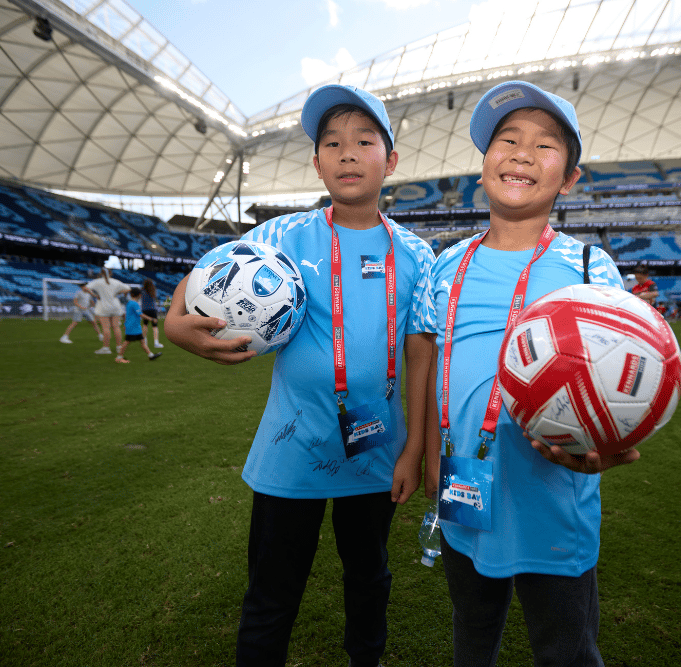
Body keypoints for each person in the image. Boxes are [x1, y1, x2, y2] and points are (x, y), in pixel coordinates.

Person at [164, 84, 436, 667]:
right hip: (292, 448)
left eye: (364, 141)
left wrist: (415, 446)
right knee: (272, 591)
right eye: (331, 143)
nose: (346, 153)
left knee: (369, 578)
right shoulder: (278, 236)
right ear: (316, 164)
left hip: (378, 452)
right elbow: (204, 277)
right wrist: (172, 325)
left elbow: (420, 354)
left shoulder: (417, 255)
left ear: (390, 161)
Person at [424, 80, 636, 667]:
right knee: (472, 636)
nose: (521, 152)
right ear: (484, 164)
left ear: (569, 178)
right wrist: (424, 456)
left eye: (545, 146)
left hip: (554, 502)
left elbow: (622, 376)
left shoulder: (592, 267)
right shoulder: (445, 266)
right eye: (507, 139)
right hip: (464, 494)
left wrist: (611, 442)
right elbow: (434, 369)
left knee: (566, 649)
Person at [83, 268, 129, 355]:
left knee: (106, 328)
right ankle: (119, 347)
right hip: (115, 306)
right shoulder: (116, 281)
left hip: (103, 306)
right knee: (116, 327)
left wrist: (95, 295)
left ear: (101, 273)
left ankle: (106, 348)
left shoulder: (97, 281)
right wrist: (118, 293)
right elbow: (127, 289)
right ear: (110, 274)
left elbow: (85, 288)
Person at [116, 287, 162, 364]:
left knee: (142, 341)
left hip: (134, 326)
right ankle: (119, 357)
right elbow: (140, 314)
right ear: (139, 295)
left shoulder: (129, 303)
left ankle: (150, 355)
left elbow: (128, 315)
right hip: (133, 327)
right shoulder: (134, 304)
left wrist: (125, 324)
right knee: (127, 342)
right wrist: (151, 319)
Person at [140, 278, 164, 349]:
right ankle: (156, 342)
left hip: (144, 310)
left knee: (145, 325)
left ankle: (144, 341)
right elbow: (155, 298)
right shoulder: (153, 290)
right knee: (155, 327)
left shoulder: (142, 291)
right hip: (153, 309)